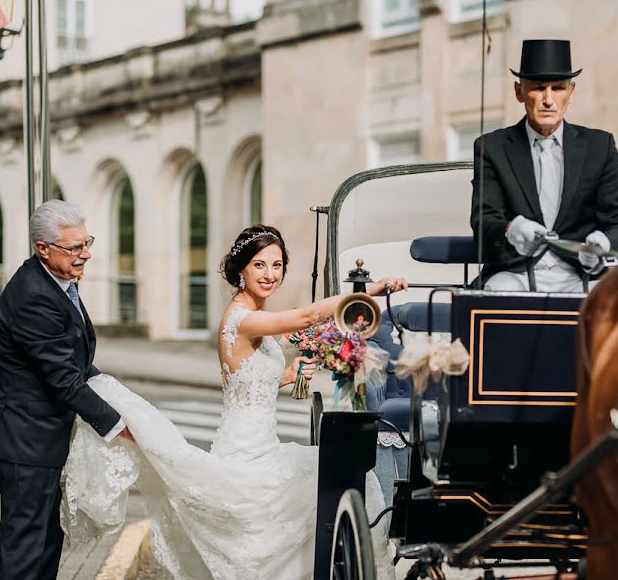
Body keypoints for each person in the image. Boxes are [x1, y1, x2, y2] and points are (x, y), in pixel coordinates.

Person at [59, 225, 407, 580]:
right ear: (241, 270)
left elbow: (248, 384)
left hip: (260, 446)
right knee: (353, 480)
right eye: (259, 265)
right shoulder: (242, 319)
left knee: (343, 482)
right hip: (248, 459)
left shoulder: (250, 314)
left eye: (276, 265)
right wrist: (368, 293)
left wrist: (285, 376)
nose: (269, 274)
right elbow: (304, 317)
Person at [0, 199, 133, 580]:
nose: (85, 254)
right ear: (43, 248)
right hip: (26, 445)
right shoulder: (34, 296)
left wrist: (117, 396)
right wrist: (118, 424)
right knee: (25, 552)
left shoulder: (58, 280)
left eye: (87, 243)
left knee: (47, 545)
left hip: (45, 442)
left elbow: (76, 361)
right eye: (75, 247)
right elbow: (64, 380)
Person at [470, 39, 618, 292]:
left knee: (607, 305)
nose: (548, 99)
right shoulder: (492, 147)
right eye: (537, 88)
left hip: (582, 275)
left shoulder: (599, 146)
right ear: (519, 91)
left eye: (557, 88)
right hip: (516, 274)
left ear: (572, 92)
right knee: (496, 298)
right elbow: (484, 221)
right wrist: (510, 230)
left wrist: (603, 243)